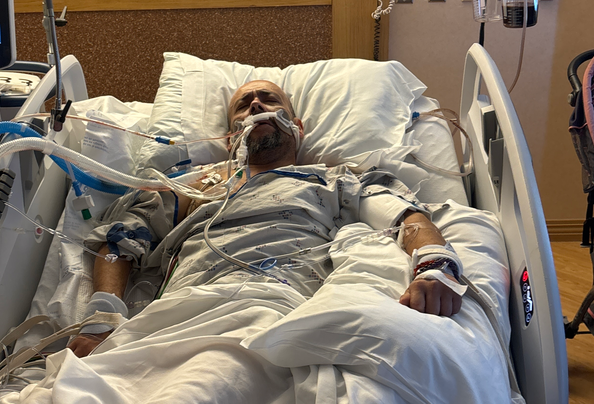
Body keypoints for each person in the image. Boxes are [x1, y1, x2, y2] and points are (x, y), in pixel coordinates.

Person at [68, 80, 464, 358]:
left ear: (298, 127)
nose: (256, 106)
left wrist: (435, 265)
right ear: (231, 138)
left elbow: (406, 217)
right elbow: (122, 238)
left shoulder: (335, 180)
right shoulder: (195, 187)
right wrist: (103, 315)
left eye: (268, 100)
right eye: (244, 105)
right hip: (184, 314)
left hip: (283, 311)